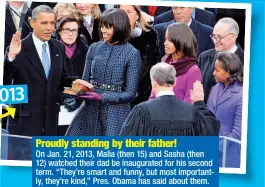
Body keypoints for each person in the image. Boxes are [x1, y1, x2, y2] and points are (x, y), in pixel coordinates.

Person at [3, 5, 80, 136]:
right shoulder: (17, 48)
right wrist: (10, 57)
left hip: (50, 123)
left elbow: (61, 80)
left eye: (52, 23)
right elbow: (5, 82)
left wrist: (78, 83)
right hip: (23, 125)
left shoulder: (59, 48)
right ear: (32, 23)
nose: (49, 28)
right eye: (44, 23)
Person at [65, 8, 141, 136]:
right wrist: (73, 95)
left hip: (116, 113)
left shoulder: (132, 53)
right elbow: (84, 82)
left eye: (108, 27)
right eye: (102, 26)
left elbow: (130, 93)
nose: (102, 30)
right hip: (90, 108)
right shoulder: (94, 48)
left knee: (110, 153)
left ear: (119, 27)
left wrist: (102, 97)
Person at [120, 63, 220, 136]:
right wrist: (199, 104)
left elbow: (126, 146)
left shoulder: (141, 111)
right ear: (175, 82)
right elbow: (210, 134)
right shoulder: (192, 112)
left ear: (153, 83)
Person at [118, 5, 160, 108]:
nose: (124, 15)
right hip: (116, 95)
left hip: (142, 96)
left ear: (137, 15)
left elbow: (153, 66)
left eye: (129, 12)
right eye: (121, 12)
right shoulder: (111, 34)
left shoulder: (150, 35)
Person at [206, 52, 243, 168]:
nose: (213, 73)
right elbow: (207, 118)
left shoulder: (241, 95)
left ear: (228, 72)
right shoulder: (215, 88)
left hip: (229, 158)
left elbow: (237, 134)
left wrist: (212, 150)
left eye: (217, 70)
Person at [149, 23, 201, 104]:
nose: (165, 43)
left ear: (181, 41)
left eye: (169, 40)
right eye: (165, 39)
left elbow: (189, 103)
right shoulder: (164, 63)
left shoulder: (193, 70)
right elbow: (153, 95)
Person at [198, 17, 244, 102]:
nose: (215, 41)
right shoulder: (204, 57)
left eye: (219, 37)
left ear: (233, 37)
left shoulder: (246, 62)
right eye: (214, 36)